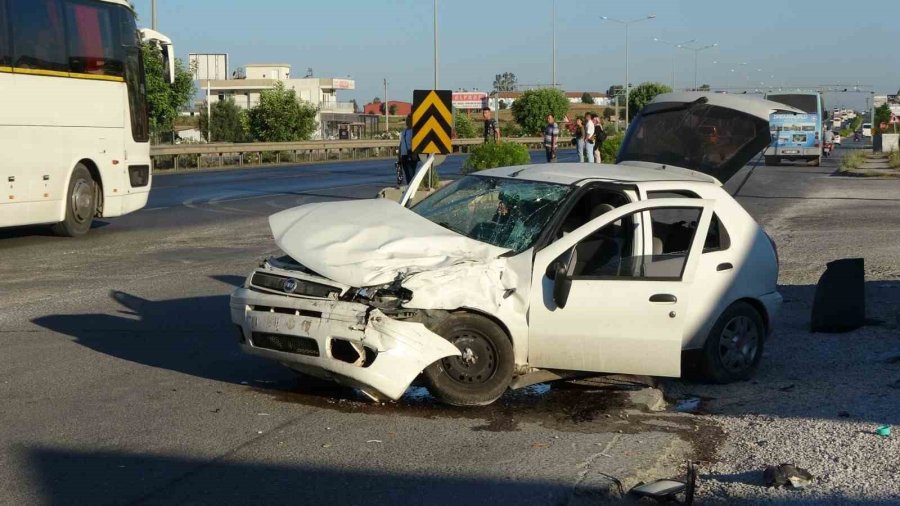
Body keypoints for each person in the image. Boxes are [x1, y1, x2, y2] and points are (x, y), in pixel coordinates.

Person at [398, 115, 417, 184]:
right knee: (407, 173)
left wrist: (414, 153)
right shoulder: (404, 131)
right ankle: (410, 186)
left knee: (411, 173)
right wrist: (399, 154)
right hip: (404, 155)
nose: (406, 121)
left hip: (411, 154)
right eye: (406, 120)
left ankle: (411, 188)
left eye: (408, 120)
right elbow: (401, 143)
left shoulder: (414, 131)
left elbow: (416, 143)